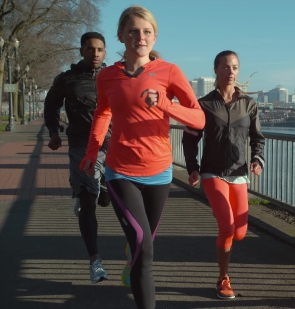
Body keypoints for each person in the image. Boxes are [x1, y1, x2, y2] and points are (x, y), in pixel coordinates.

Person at [80, 5, 205, 309]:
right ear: (121, 35)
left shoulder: (169, 71)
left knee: (142, 245)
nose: (140, 37)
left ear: (155, 36)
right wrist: (92, 152)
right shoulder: (108, 77)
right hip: (121, 172)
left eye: (147, 31)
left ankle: (131, 261)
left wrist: (165, 103)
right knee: (144, 249)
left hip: (160, 172)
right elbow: (102, 113)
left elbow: (198, 119)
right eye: (133, 31)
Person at [182, 50, 265, 299]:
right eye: (226, 67)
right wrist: (193, 168)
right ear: (216, 70)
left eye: (235, 67)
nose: (231, 72)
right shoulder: (204, 104)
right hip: (212, 172)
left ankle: (224, 265)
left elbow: (257, 138)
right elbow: (190, 139)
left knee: (240, 232)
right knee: (227, 227)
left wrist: (257, 159)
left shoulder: (248, 104)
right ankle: (223, 278)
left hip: (239, 172)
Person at [44, 31, 111, 284]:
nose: (95, 53)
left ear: (105, 52)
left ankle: (89, 194)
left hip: (111, 147)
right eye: (90, 49)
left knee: (105, 200)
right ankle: (95, 260)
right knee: (89, 199)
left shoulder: (113, 76)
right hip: (81, 146)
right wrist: (53, 132)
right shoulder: (67, 79)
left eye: (100, 50)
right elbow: (51, 105)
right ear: (81, 50)